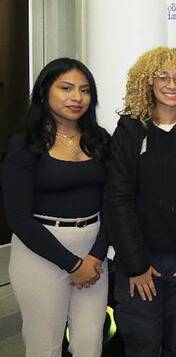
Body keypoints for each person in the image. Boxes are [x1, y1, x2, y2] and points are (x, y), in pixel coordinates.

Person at [103, 47, 176, 356]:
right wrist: (136, 265)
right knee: (141, 346)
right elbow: (118, 200)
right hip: (141, 265)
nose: (172, 85)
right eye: (163, 77)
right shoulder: (129, 131)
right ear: (149, 82)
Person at [2, 58, 111, 356]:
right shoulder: (23, 144)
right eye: (66, 88)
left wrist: (94, 258)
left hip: (93, 255)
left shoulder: (100, 140)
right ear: (43, 92)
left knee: (90, 345)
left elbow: (113, 205)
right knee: (44, 348)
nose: (77, 97)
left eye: (85, 90)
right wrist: (73, 265)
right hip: (41, 254)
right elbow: (19, 218)